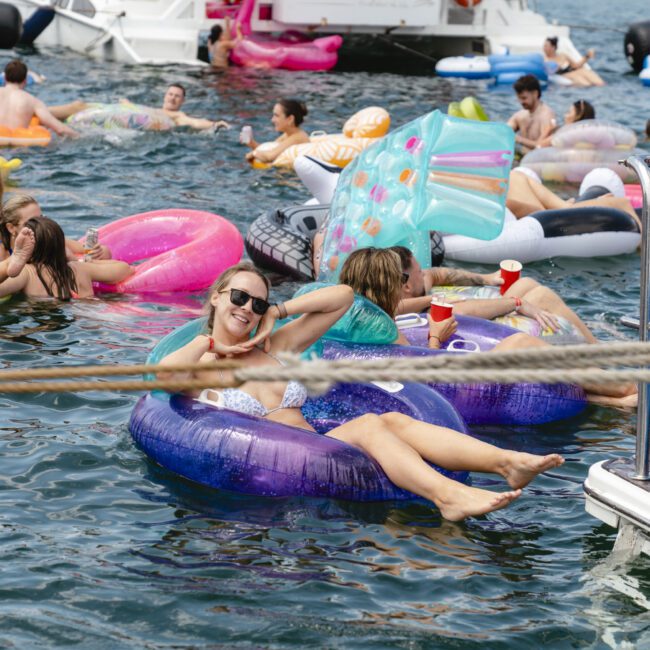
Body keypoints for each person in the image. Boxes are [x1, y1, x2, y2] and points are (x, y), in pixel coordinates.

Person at [158, 261, 564, 521]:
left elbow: (342, 298)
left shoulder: (276, 347)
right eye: (239, 297)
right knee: (371, 425)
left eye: (258, 304)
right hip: (278, 469)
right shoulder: (205, 366)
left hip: (315, 449)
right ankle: (447, 495)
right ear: (216, 297)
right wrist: (212, 344)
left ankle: (505, 462)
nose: (247, 308)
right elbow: (163, 379)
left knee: (391, 420)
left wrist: (280, 313)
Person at [339, 247, 637, 407]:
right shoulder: (384, 329)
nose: (404, 288)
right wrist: (434, 337)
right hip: (454, 395)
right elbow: (420, 380)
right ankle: (626, 386)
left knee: (527, 367)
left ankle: (620, 401)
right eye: (400, 282)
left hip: (448, 388)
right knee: (521, 346)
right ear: (385, 285)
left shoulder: (359, 314)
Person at [390, 245, 596, 343]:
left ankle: (595, 345)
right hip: (485, 334)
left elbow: (435, 274)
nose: (423, 272)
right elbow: (459, 312)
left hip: (482, 313)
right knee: (541, 296)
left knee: (527, 283)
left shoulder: (411, 284)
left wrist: (485, 278)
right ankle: (596, 350)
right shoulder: (402, 310)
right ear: (406, 287)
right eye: (418, 271)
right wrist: (517, 302)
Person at [0, 217, 133, 299]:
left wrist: (9, 264)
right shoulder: (78, 268)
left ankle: (8, 264)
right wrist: (88, 261)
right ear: (62, 246)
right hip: (88, 312)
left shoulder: (26, 273)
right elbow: (125, 269)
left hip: (43, 314)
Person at [49, 83, 230, 132]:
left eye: (177, 96)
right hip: (121, 110)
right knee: (78, 105)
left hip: (123, 120)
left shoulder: (177, 116)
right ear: (165, 95)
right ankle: (41, 111)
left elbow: (194, 122)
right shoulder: (155, 109)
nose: (172, 98)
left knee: (82, 113)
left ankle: (44, 116)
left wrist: (215, 123)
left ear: (182, 101)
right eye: (170, 94)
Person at [0, 195, 112, 273]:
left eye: (41, 218)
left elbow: (96, 251)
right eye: (32, 222)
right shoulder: (2, 252)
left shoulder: (49, 238)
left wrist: (98, 252)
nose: (40, 225)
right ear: (11, 228)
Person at [506, 169, 641, 229]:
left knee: (620, 203)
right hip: (540, 218)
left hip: (543, 214)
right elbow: (539, 213)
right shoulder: (513, 177)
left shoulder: (514, 176)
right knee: (621, 203)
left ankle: (598, 203)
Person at [0, 60, 78, 138]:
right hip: (18, 147)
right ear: (25, 81)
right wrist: (79, 136)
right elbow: (60, 129)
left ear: (5, 78)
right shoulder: (32, 101)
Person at [243, 98, 310, 164]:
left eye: (276, 116)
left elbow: (269, 157)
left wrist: (253, 154)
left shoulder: (297, 138)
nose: (272, 120)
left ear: (290, 119)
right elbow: (270, 150)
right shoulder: (288, 134)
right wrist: (251, 143)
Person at [507, 74, 556, 155]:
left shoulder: (546, 116)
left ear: (535, 94)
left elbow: (541, 146)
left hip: (538, 162)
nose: (521, 102)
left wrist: (518, 139)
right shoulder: (520, 116)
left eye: (524, 98)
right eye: (519, 98)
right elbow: (504, 131)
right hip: (522, 159)